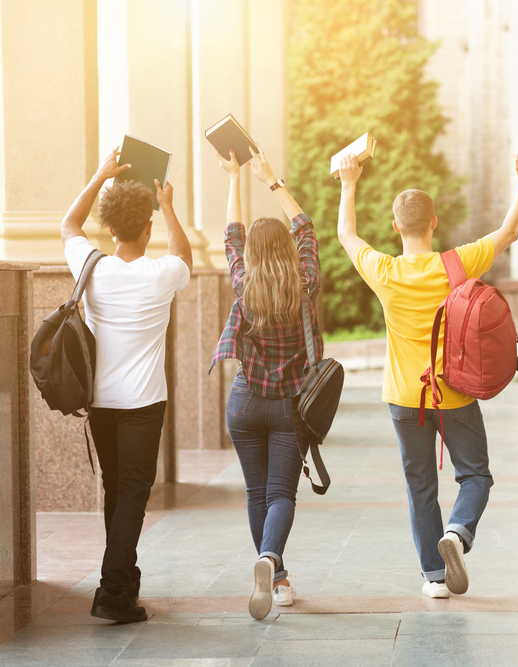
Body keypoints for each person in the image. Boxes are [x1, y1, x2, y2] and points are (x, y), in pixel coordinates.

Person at [336, 152, 518, 599]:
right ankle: (458, 534)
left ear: (395, 226)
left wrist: (349, 181)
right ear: (434, 223)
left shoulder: (384, 271)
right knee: (475, 475)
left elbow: (346, 234)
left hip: (404, 399)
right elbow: (511, 231)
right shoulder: (456, 263)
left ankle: (433, 578)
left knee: (420, 485)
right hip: (456, 395)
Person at [60, 148, 192, 623]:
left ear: (110, 229)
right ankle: (112, 590)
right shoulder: (160, 274)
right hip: (142, 403)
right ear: (148, 228)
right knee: (134, 492)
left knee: (117, 490)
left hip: (101, 402)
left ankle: (123, 582)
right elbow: (185, 255)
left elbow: (68, 225)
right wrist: (169, 205)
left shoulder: (92, 267)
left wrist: (99, 176)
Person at [210, 146, 322, 619]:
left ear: (253, 254)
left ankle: (275, 577)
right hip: (288, 405)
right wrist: (271, 181)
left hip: (244, 402)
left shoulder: (243, 281)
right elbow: (306, 230)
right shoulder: (304, 281)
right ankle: (271, 562)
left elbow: (232, 235)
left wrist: (233, 178)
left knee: (258, 494)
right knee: (281, 494)